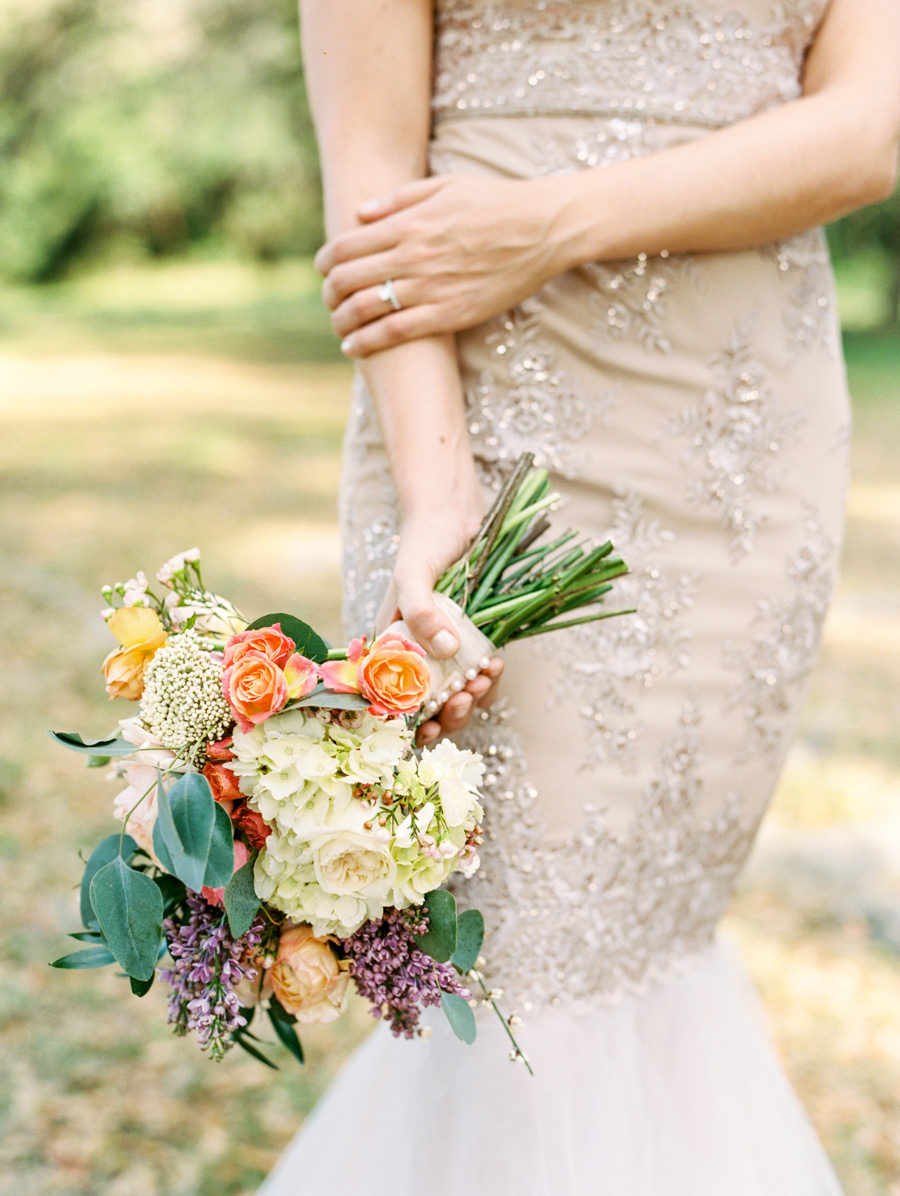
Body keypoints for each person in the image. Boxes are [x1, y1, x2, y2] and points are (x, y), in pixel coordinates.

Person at [259, 1, 900, 1192]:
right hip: (495, 420)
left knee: (645, 938)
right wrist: (438, 496)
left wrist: (549, 221)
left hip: (744, 451)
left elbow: (871, 128)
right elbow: (371, 177)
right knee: (528, 963)